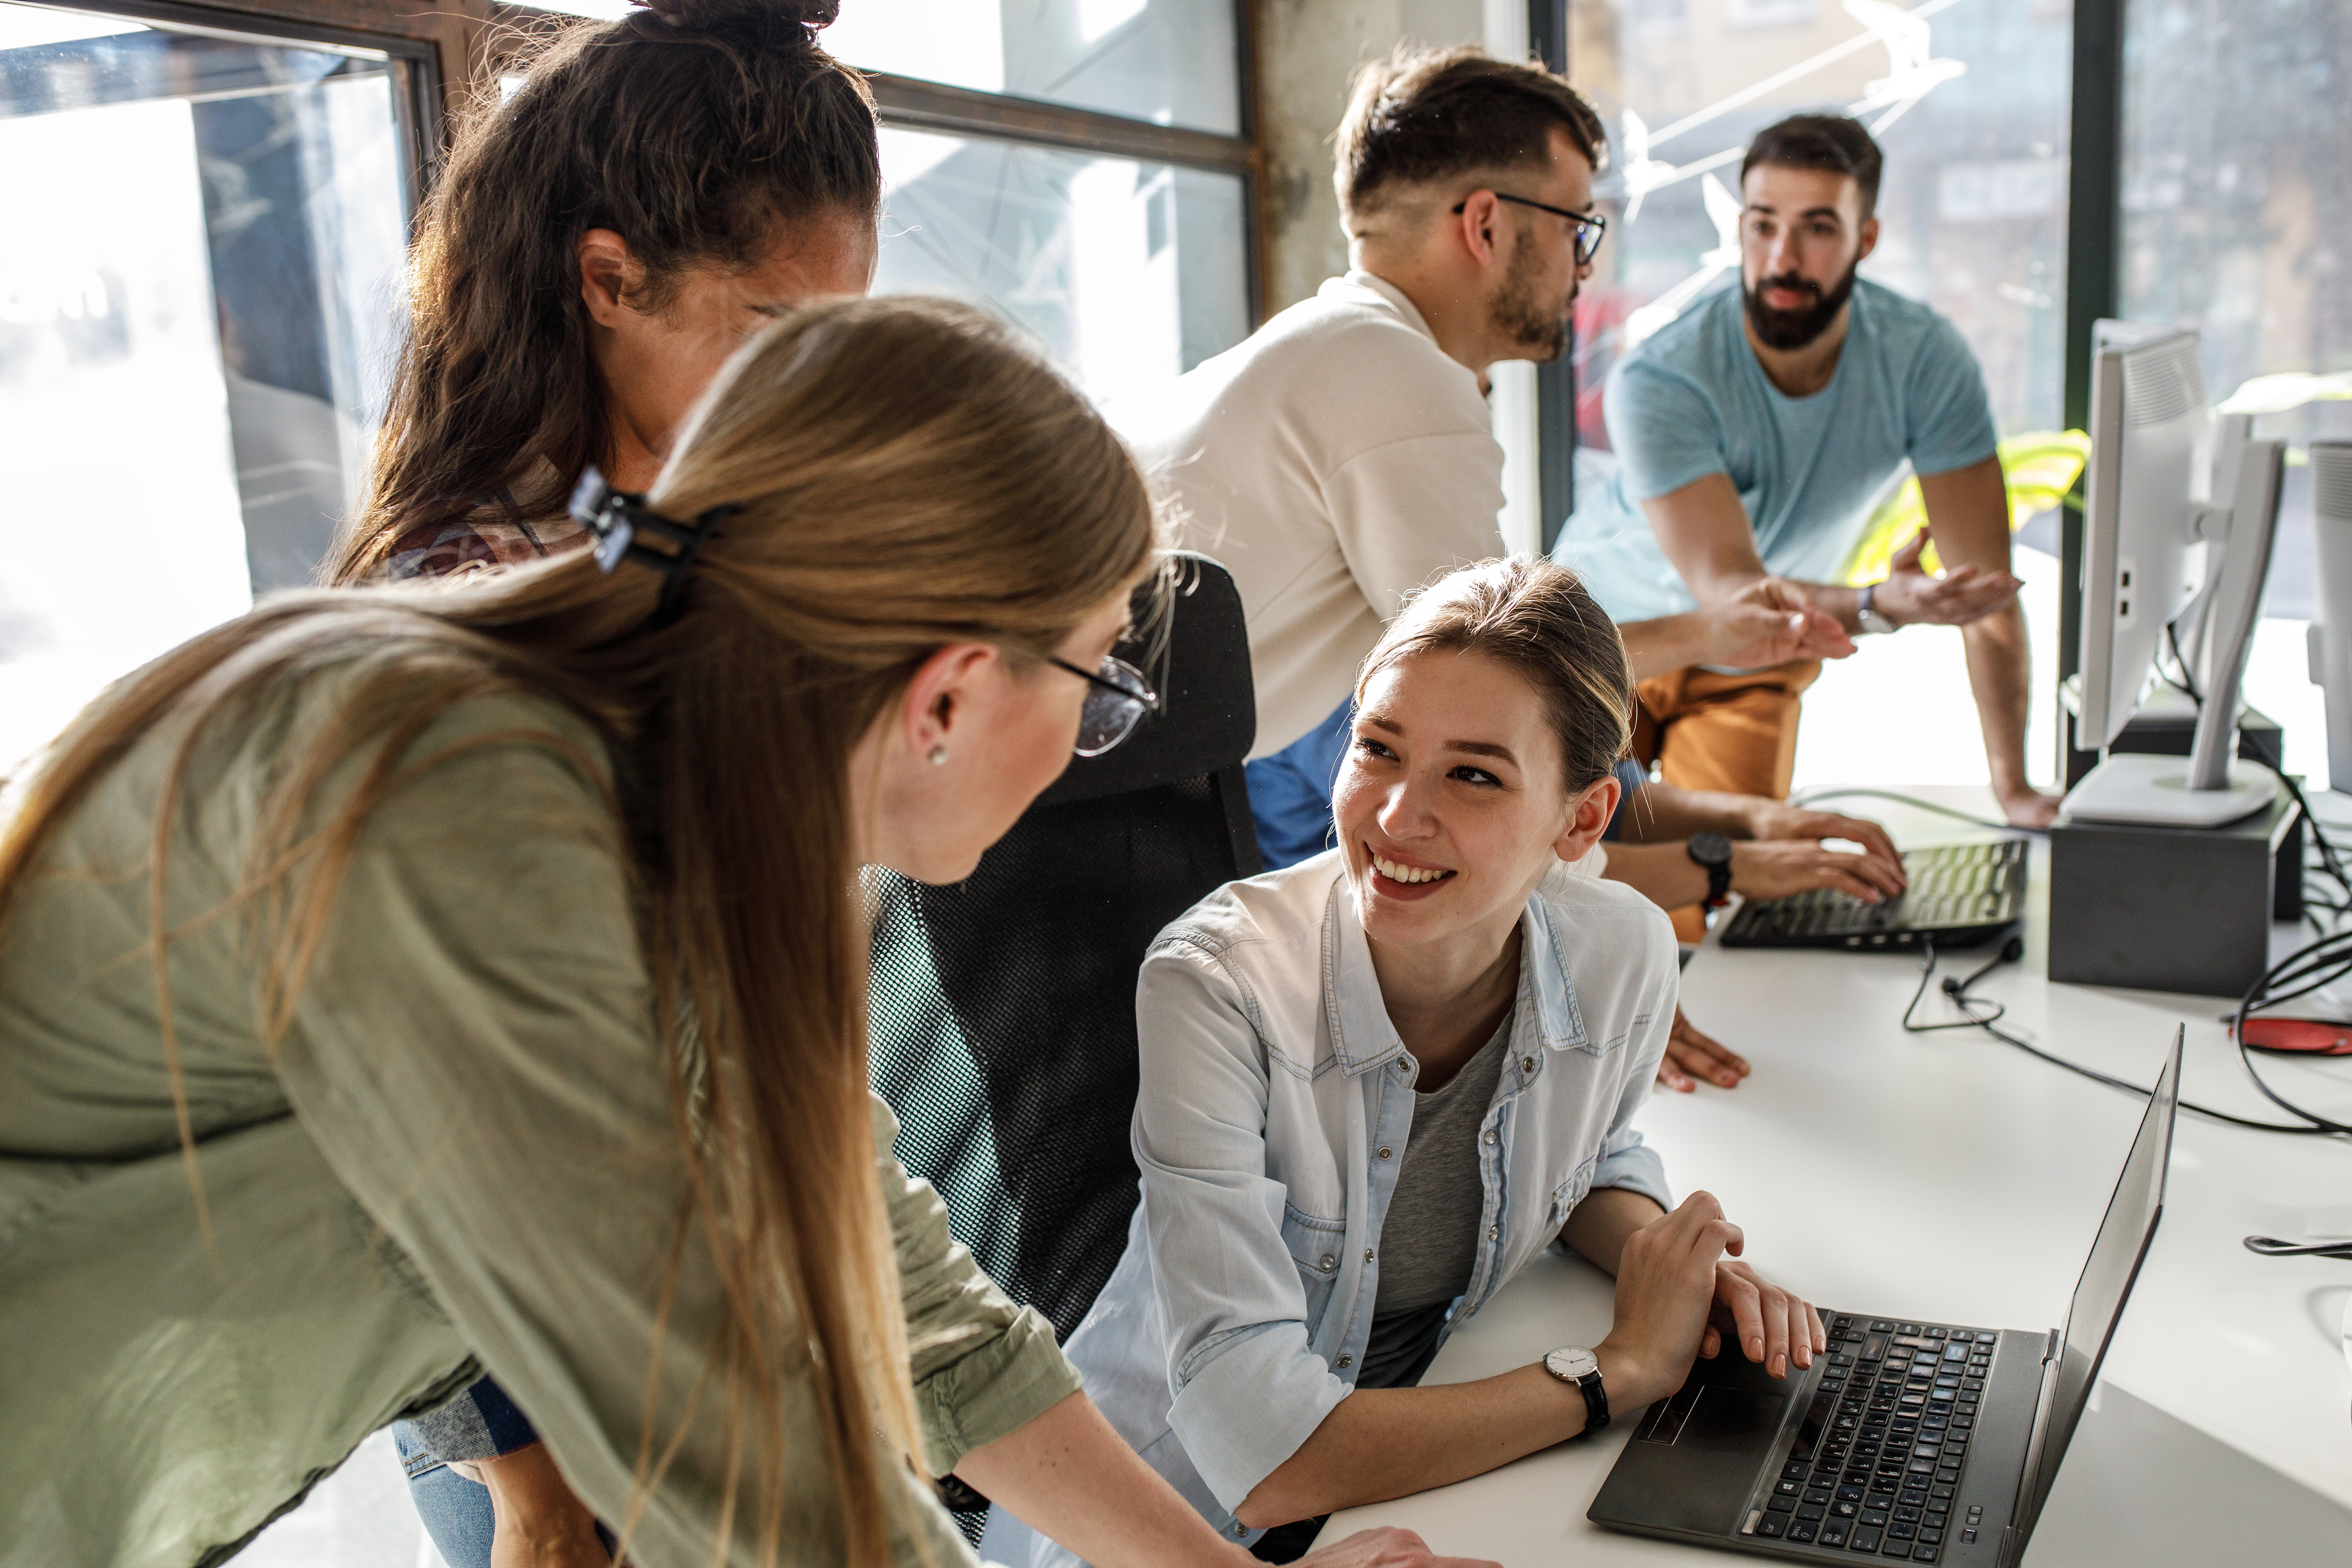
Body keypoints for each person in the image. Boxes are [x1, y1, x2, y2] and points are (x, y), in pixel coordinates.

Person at [0, 299, 1489, 1568]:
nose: (1096, 741)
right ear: (952, 692)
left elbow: (908, 1297)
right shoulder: (473, 813)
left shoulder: (670, 819)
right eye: (1102, 683)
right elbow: (750, 1476)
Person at [325, 1, 885, 1556]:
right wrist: (530, 1483)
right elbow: (406, 1099)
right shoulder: (459, 612)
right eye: (777, 335)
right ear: (608, 280)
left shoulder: (645, 533)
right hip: (548, 1399)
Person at [981, 557, 1823, 1568]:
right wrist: (1613, 1370)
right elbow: (1264, 1453)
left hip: (1426, 1453)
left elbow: (1588, 1156)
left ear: (1581, 819)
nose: (1393, 817)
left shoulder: (1619, 952)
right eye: (1377, 748)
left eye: (1472, 773)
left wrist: (1675, 1270)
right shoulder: (1218, 984)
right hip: (1182, 1523)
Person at [1132, 44, 1853, 877]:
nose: (1582, 269)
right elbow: (1503, 678)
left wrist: (1732, 816)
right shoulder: (1394, 376)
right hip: (1113, 863)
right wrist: (1724, 858)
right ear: (1485, 225)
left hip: (1088, 846)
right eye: (1575, 228)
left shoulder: (1328, 352)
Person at [1555, 114, 2061, 827]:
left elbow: (1985, 593)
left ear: (1867, 239)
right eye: (1763, 225)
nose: (1783, 257)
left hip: (1760, 650)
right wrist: (1879, 605)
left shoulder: (1924, 360)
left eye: (1818, 229)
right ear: (1740, 231)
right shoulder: (1661, 377)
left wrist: (2015, 792)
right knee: (1586, 878)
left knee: (1733, 886)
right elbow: (1730, 589)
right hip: (1613, 636)